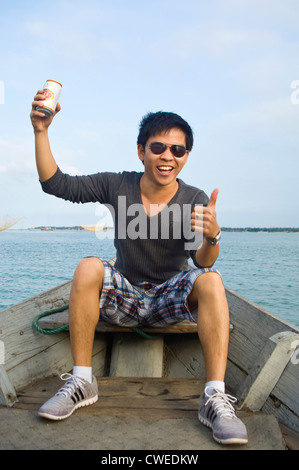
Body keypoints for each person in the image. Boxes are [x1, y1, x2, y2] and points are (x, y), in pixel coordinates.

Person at [30, 90, 248, 446]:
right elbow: (56, 184)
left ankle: (213, 398)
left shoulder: (194, 198)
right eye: (159, 147)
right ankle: (83, 381)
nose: (167, 157)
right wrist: (41, 131)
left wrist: (213, 235)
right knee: (88, 267)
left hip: (168, 301)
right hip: (125, 296)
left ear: (186, 157)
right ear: (141, 150)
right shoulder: (118, 184)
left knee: (211, 281)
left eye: (177, 150)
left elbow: (202, 262)